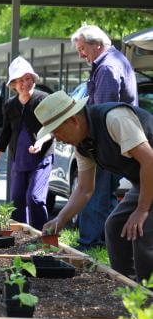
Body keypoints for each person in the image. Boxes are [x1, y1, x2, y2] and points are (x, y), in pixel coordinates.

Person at [35, 90, 153, 281]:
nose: (56, 138)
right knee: (115, 227)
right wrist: (61, 219)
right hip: (145, 181)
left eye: (57, 130)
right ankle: (128, 287)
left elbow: (149, 161)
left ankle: (147, 299)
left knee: (142, 232)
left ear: (73, 120)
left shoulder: (115, 119)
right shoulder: (83, 145)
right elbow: (84, 189)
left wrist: (141, 210)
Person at [71, 25, 138, 250]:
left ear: (97, 45)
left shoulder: (108, 68)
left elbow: (102, 113)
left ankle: (91, 244)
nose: (80, 54)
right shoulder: (112, 62)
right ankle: (106, 243)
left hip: (107, 141)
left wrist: (91, 144)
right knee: (103, 194)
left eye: (82, 49)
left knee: (97, 193)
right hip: (116, 141)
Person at [0, 56, 54, 230]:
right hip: (19, 160)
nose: (25, 84)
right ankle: (19, 237)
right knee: (16, 203)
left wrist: (41, 141)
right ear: (13, 85)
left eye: (28, 79)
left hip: (41, 159)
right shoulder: (10, 106)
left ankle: (42, 236)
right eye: (20, 80)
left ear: (34, 80)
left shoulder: (43, 99)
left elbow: (53, 128)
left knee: (35, 198)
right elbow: (5, 135)